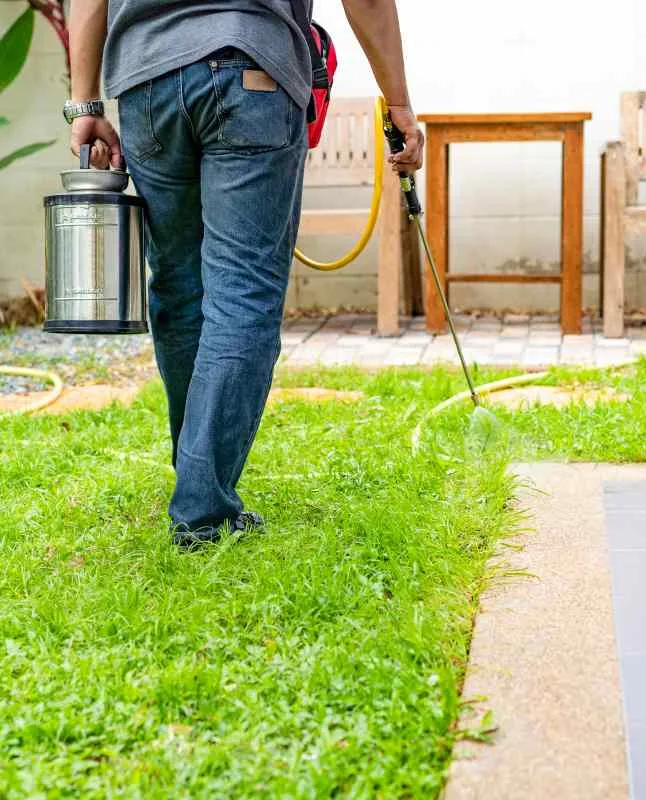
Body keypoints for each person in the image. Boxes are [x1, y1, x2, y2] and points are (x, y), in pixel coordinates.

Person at [66, 0, 424, 548]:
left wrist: (85, 100)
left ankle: (197, 481)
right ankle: (201, 509)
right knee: (242, 293)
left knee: (179, 286)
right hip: (251, 68)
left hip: (147, 84)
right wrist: (397, 100)